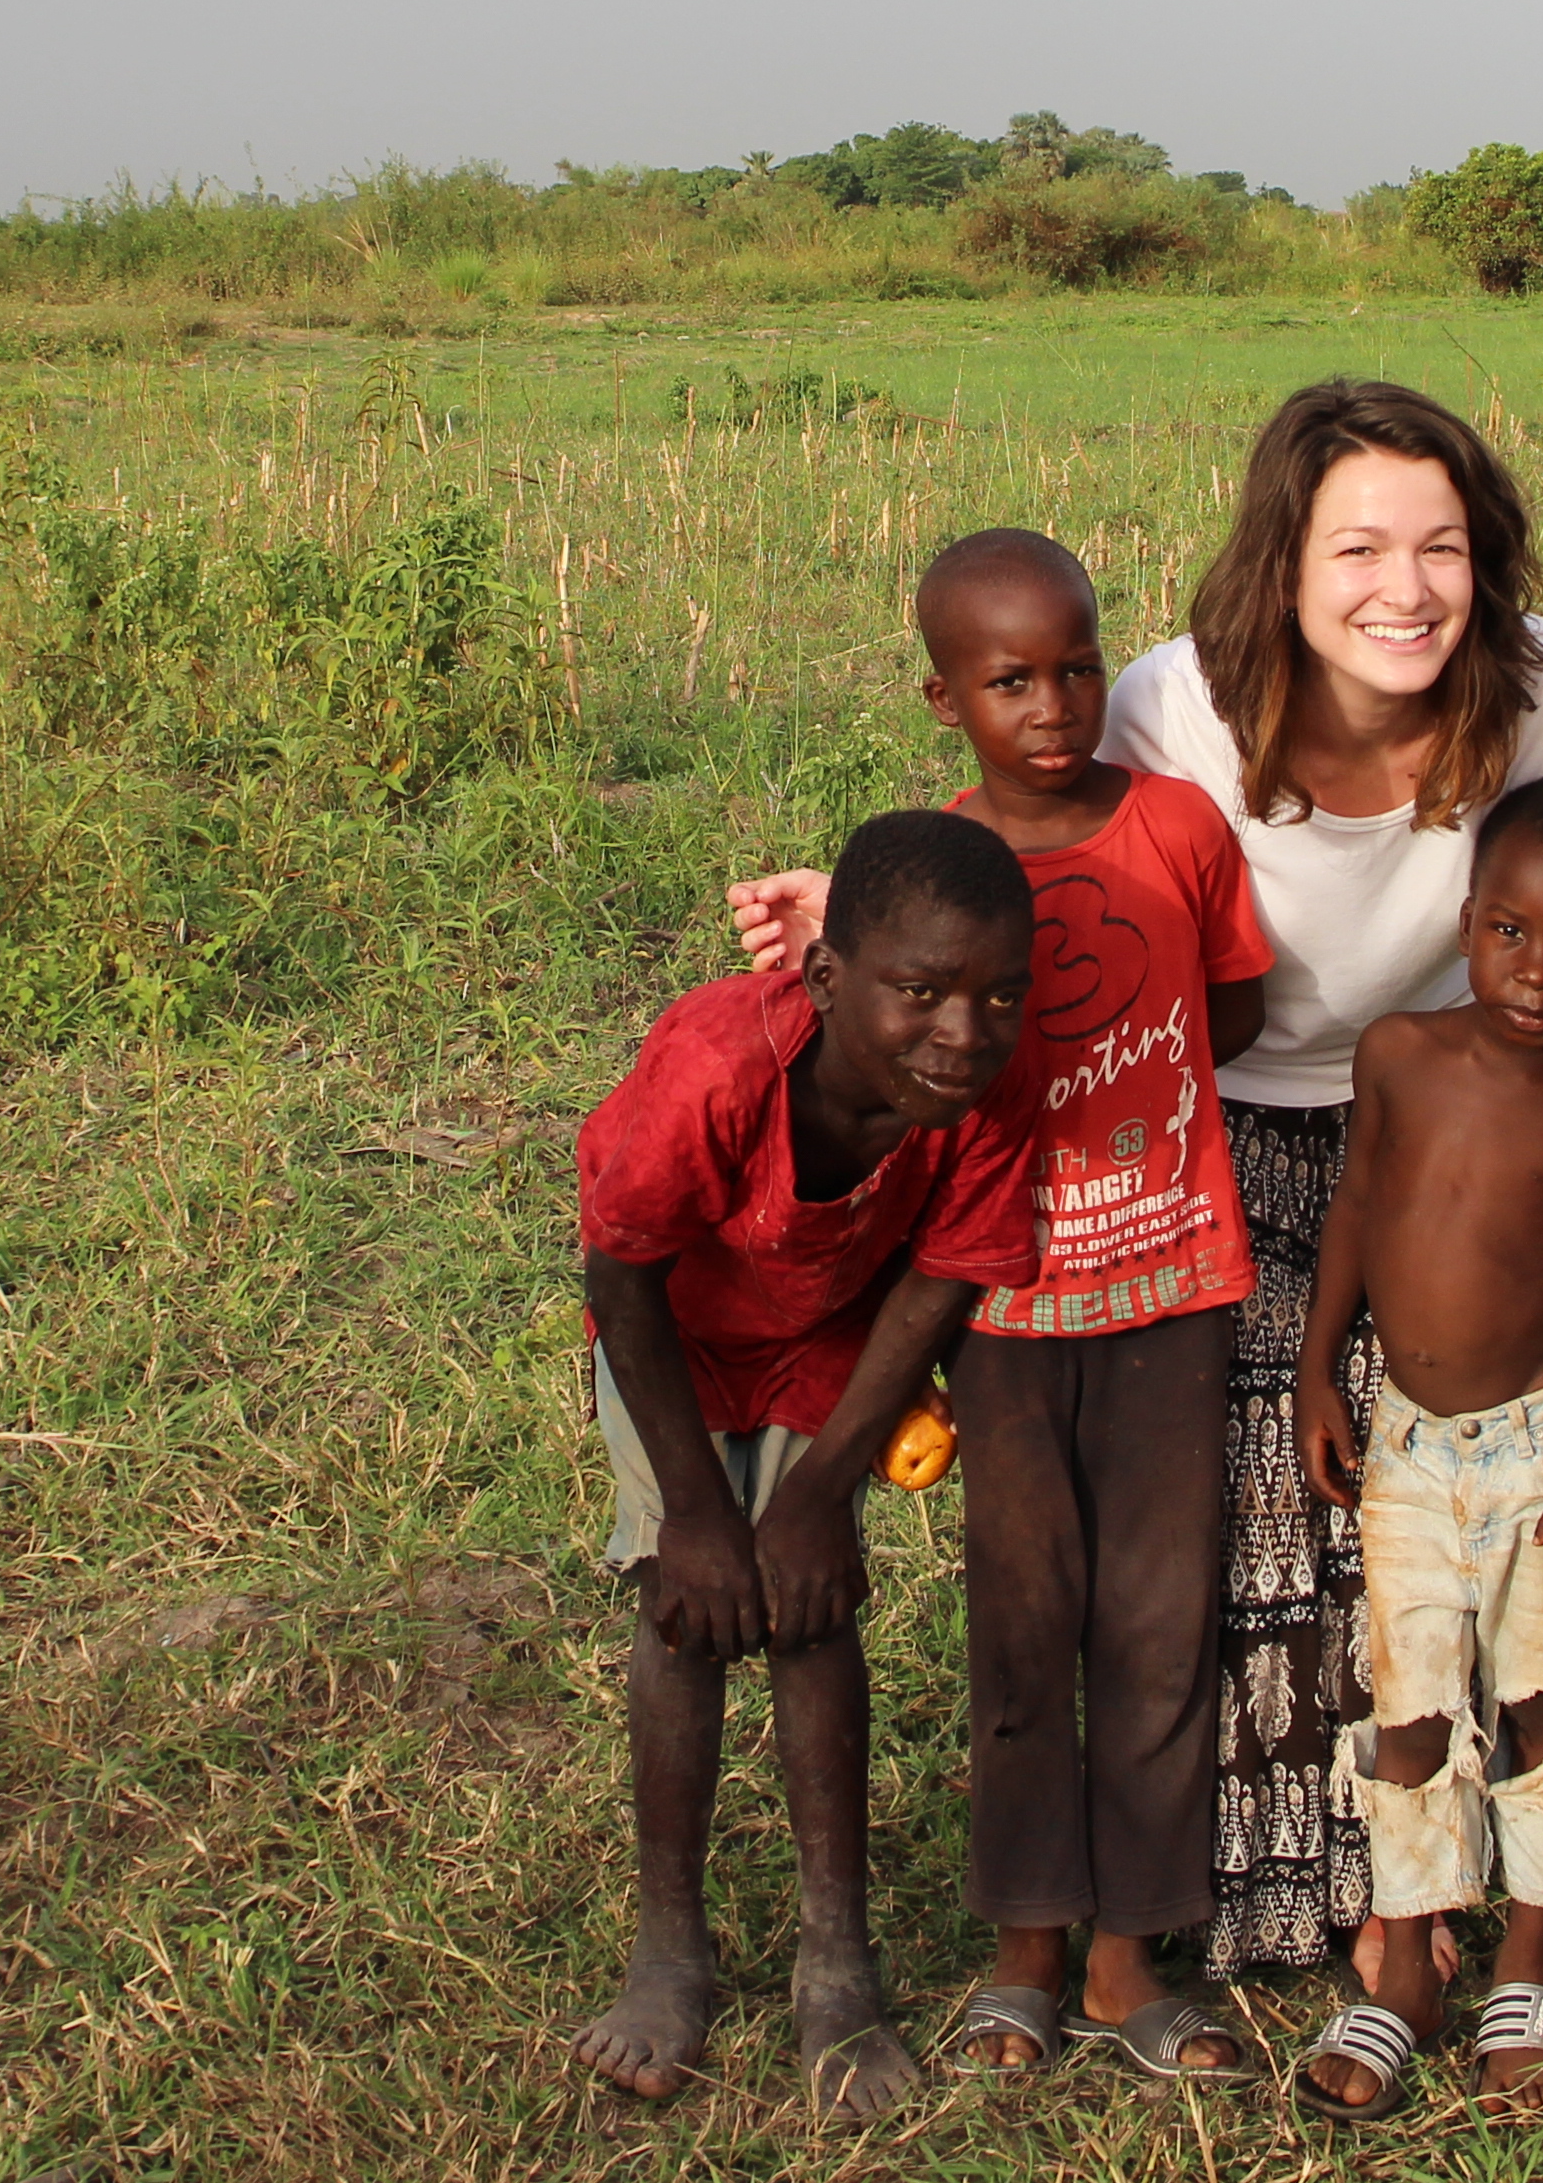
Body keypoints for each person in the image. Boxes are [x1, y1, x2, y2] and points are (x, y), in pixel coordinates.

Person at [732, 380, 1543, 1983]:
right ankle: (1289, 1895)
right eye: (1357, 547)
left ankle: (1417, 1899)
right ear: (1281, 565)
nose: (1404, 589)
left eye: (1442, 546)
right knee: (1272, 1488)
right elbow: (1033, 863)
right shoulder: (1175, 710)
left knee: (1441, 1439)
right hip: (1213, 1127)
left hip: (1450, 1114)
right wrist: (850, 912)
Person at [575, 807, 1044, 2121]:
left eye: (1001, 994)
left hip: (831, 1338)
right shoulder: (716, 1065)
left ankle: (837, 1964)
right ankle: (672, 1948)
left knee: (811, 1613)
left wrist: (822, 1493)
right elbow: (622, 1271)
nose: (964, 1030)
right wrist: (699, 1516)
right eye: (921, 993)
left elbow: (942, 1280)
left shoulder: (986, 1092)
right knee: (689, 1613)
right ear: (826, 977)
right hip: (668, 1341)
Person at [899, 531, 1275, 2089]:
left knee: (1157, 1624)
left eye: (1071, 668)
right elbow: (898, 1048)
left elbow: (1232, 1002)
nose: (1051, 706)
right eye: (1008, 681)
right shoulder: (931, 858)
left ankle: (1128, 1960)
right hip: (1001, 1309)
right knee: (1023, 1625)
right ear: (945, 697)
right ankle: (1024, 1948)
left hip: (1173, 1292)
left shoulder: (1178, 827)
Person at [1285, 779, 1543, 2124]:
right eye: (1511, 932)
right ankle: (1404, 1963)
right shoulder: (1397, 1051)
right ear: (1468, 922)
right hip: (1403, 1437)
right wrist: (1316, 1369)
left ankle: (1533, 1955)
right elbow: (1355, 1204)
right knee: (1407, 1705)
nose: (1538, 970)